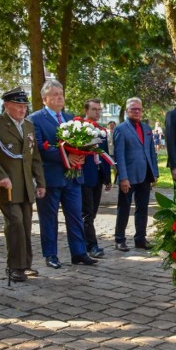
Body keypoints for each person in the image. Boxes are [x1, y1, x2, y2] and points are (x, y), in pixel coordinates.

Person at [0, 88, 46, 282]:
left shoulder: (27, 126)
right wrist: (0, 175)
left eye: (24, 106)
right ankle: (14, 266)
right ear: (7, 105)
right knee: (15, 223)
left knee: (25, 224)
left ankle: (25, 264)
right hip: (6, 185)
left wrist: (40, 182)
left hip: (25, 184)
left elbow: (34, 157)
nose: (22, 110)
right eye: (18, 106)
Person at [28, 79, 98, 268]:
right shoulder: (35, 119)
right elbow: (39, 149)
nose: (60, 98)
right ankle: (51, 255)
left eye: (61, 94)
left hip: (73, 177)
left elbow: (83, 144)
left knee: (75, 215)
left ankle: (79, 252)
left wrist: (81, 156)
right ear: (44, 99)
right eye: (55, 94)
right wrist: (67, 156)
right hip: (50, 177)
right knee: (49, 218)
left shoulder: (70, 118)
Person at [113, 97, 158, 251]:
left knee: (143, 208)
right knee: (124, 208)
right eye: (133, 109)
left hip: (145, 174)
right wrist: (123, 177)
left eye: (139, 109)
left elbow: (151, 152)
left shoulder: (146, 128)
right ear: (127, 111)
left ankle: (140, 238)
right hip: (129, 177)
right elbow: (119, 156)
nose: (137, 111)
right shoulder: (120, 129)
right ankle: (120, 239)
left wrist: (155, 172)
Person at [81, 99, 112, 258]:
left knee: (92, 212)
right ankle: (91, 245)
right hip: (85, 176)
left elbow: (104, 154)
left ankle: (86, 241)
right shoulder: (79, 128)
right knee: (87, 212)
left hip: (98, 176)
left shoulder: (102, 130)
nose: (97, 113)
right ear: (86, 110)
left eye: (99, 110)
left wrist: (107, 177)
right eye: (94, 110)